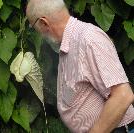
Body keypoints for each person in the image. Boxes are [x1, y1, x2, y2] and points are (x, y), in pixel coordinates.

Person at [26, 0, 134, 133]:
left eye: (33, 26)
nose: (38, 34)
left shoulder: (88, 39)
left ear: (44, 22)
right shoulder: (68, 44)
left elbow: (123, 96)